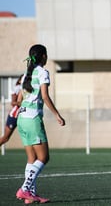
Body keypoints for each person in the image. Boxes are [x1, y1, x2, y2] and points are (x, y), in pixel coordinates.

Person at [15, 44, 66, 204]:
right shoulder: (43, 72)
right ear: (43, 56)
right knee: (44, 157)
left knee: (32, 158)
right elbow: (45, 96)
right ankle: (24, 189)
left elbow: (18, 100)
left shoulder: (26, 74)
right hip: (32, 119)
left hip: (21, 118)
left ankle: (30, 195)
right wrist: (57, 115)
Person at [0, 74, 23, 146]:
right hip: (14, 116)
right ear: (19, 81)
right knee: (6, 138)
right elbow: (13, 103)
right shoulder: (18, 88)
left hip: (22, 115)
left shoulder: (27, 88)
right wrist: (24, 103)